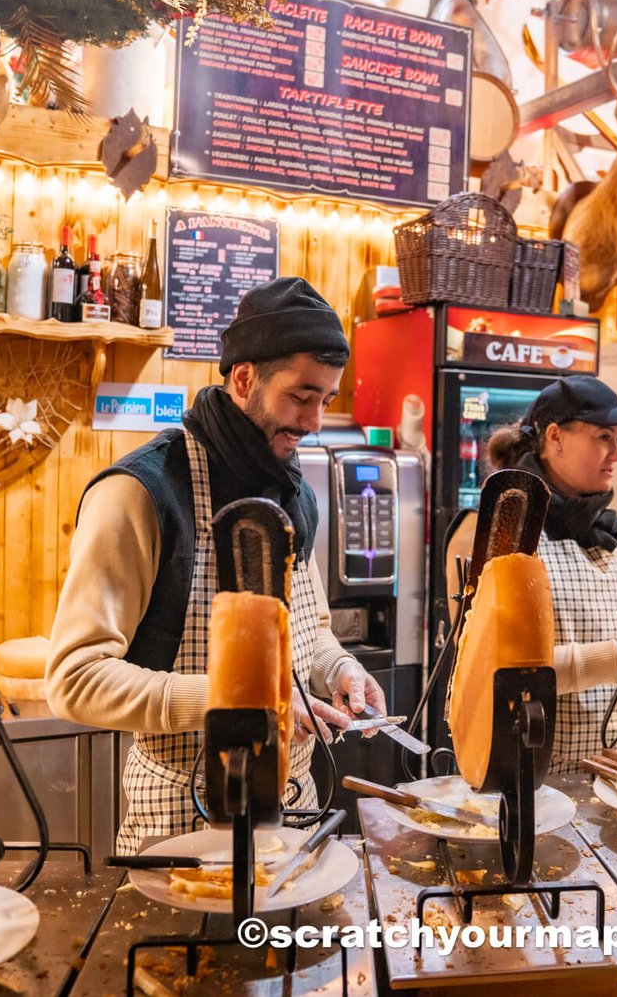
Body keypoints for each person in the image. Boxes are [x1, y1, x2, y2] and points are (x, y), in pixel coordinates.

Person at [47, 277, 385, 853]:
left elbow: (313, 635)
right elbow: (74, 680)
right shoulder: (143, 492)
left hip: (294, 809)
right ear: (244, 378)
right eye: (300, 396)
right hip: (185, 815)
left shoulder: (294, 494)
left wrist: (340, 671)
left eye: (325, 400)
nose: (313, 423)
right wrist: (235, 698)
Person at [444, 375, 617, 772]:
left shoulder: (616, 534)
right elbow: (488, 669)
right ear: (555, 437)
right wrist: (616, 657)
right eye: (602, 437)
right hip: (534, 783)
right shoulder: (494, 530)